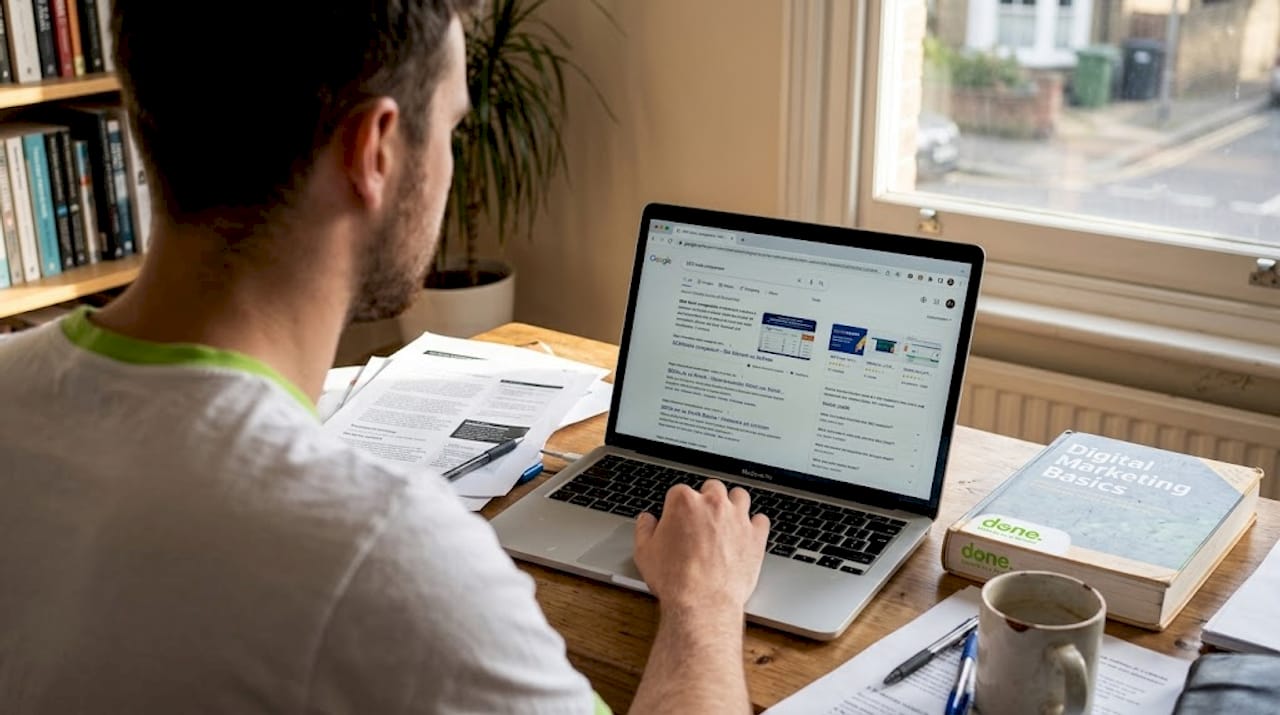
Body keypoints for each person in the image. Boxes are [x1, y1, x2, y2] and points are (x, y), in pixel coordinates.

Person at [0, 1, 770, 713]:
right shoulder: (386, 556)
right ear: (373, 150)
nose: (450, 163)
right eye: (451, 130)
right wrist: (705, 601)